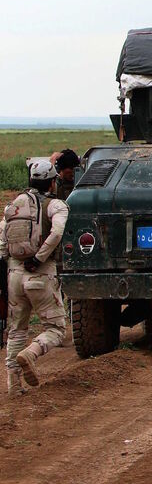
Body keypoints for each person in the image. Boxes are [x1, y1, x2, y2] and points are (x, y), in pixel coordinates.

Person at [2, 160, 69, 395]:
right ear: (52, 182)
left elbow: (3, 244)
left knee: (17, 329)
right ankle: (31, 353)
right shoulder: (56, 205)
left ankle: (13, 385)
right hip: (39, 274)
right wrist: (39, 258)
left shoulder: (13, 206)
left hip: (14, 276)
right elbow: (58, 232)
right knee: (56, 328)